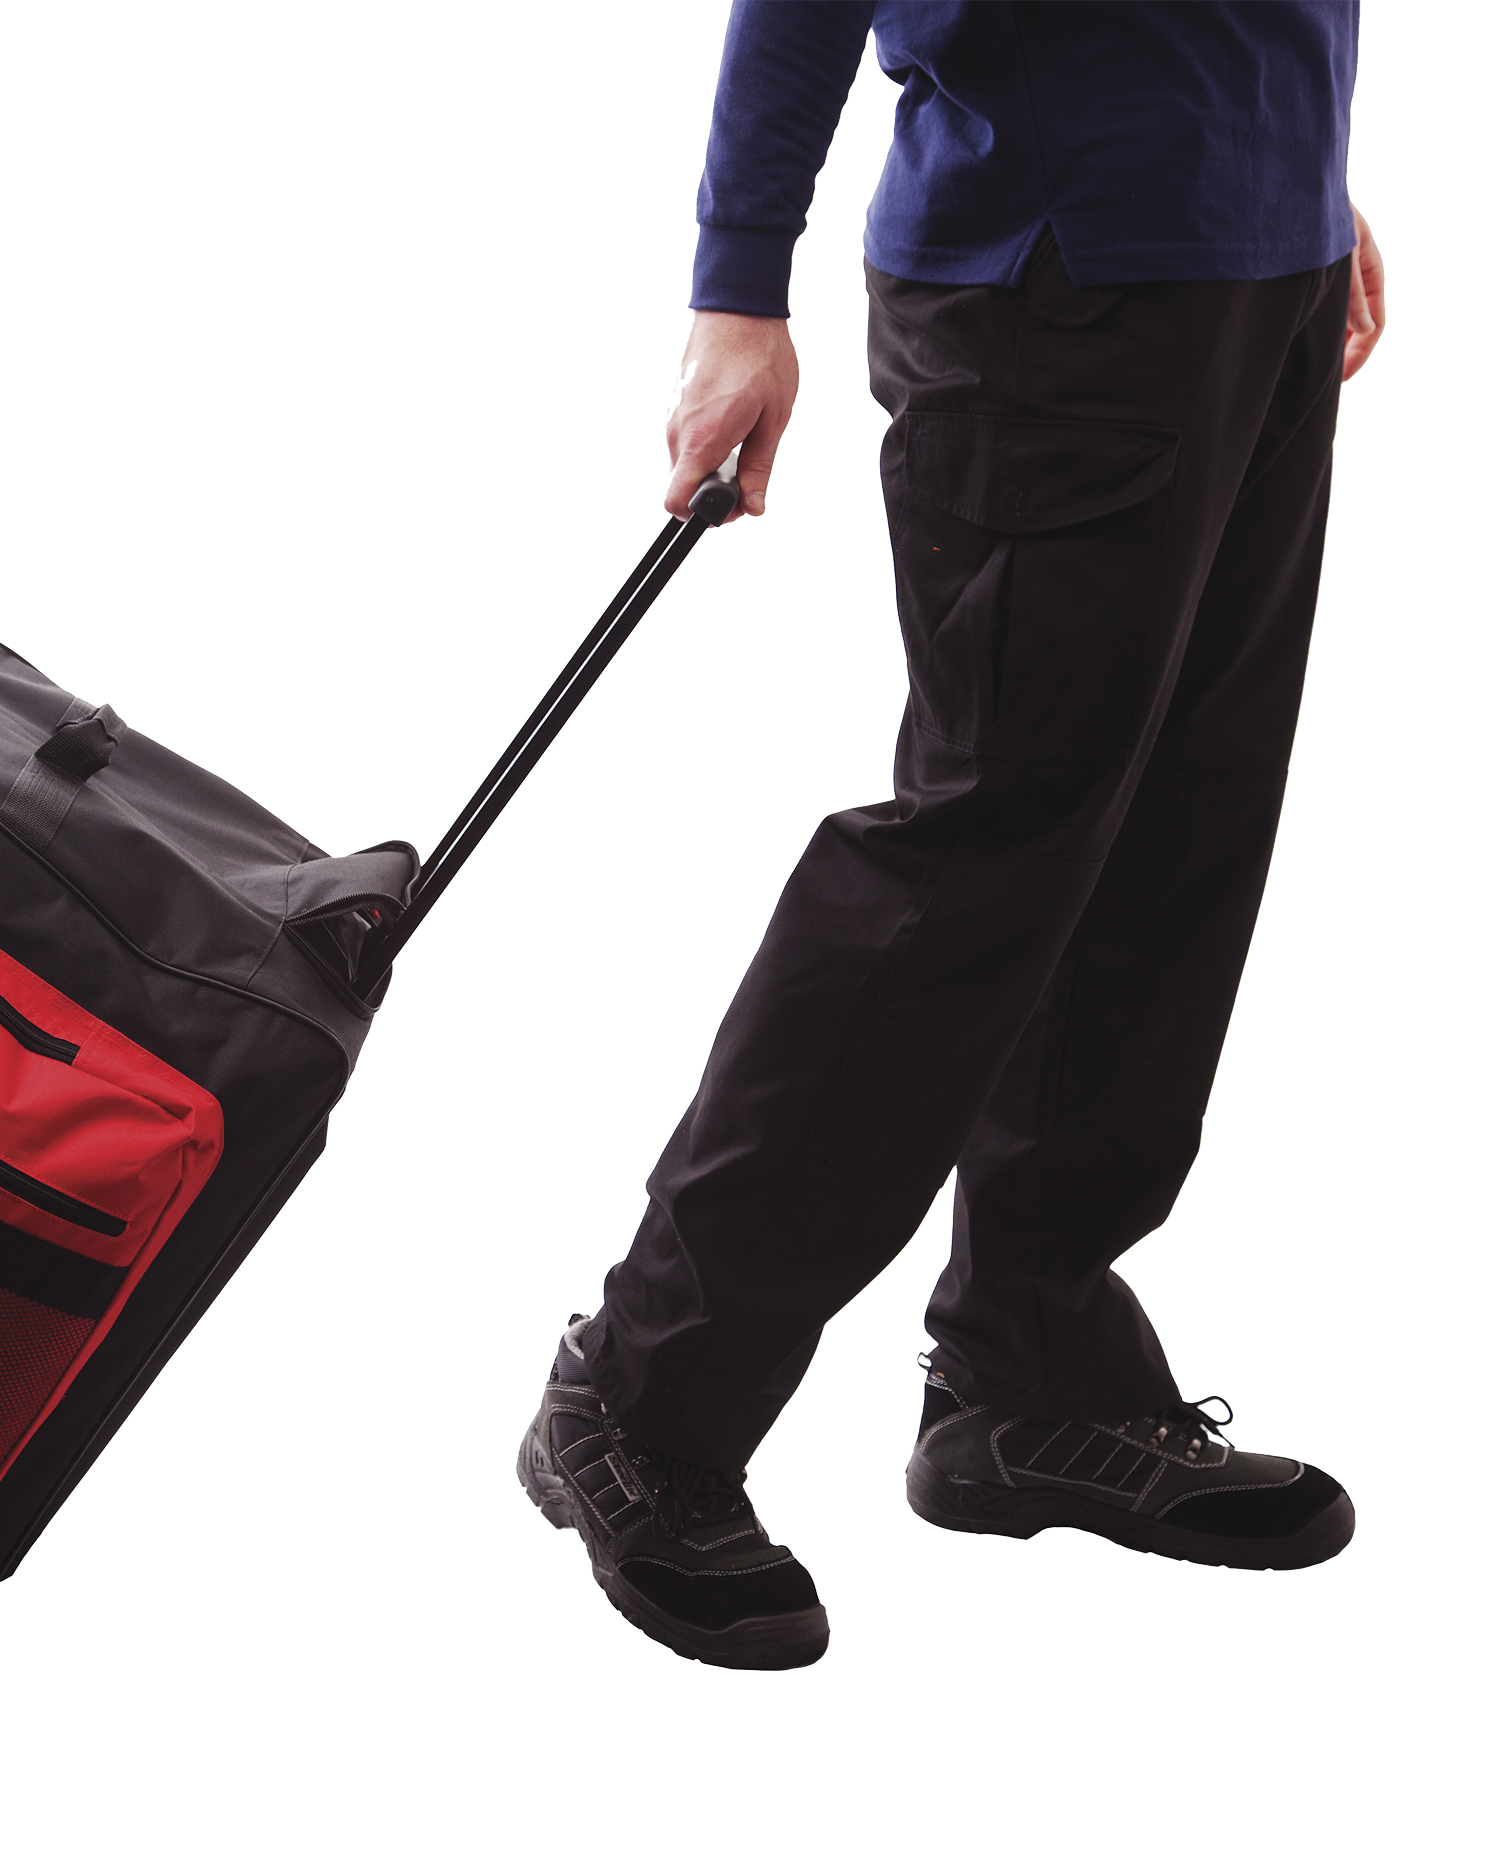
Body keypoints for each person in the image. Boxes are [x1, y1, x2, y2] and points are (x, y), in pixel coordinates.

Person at [518, 0, 1384, 1670]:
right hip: (1061, 282)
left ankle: (1031, 1375)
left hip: (1249, 252)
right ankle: (639, 1394)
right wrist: (737, 284)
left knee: (1174, 835)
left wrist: (1297, 172)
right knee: (969, 870)